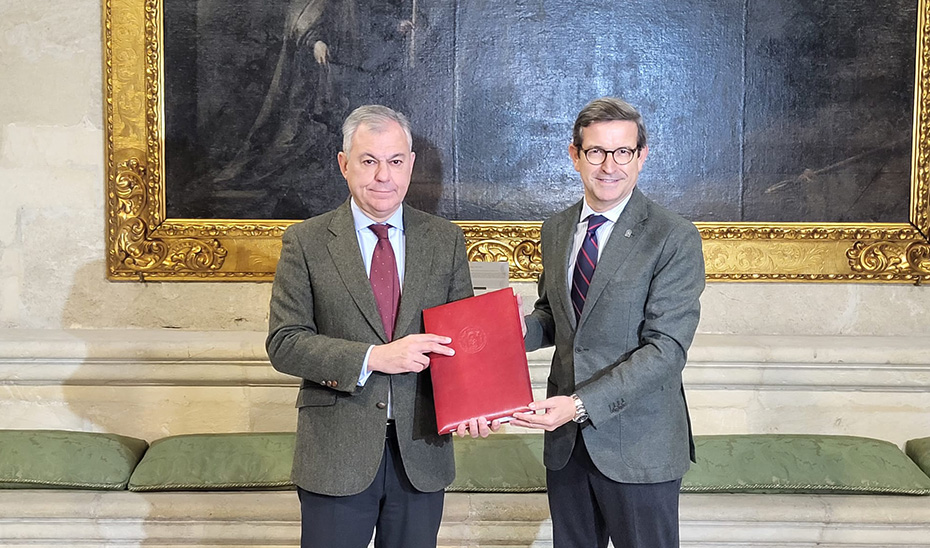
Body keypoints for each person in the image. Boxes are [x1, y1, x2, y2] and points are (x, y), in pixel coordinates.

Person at [266, 104, 479, 548]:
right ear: (344, 165)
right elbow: (285, 343)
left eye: (395, 161)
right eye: (369, 161)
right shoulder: (305, 242)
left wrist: (479, 403)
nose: (384, 175)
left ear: (411, 165)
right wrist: (373, 357)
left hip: (420, 453)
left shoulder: (445, 240)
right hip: (336, 454)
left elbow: (463, 341)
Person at [511, 97, 705, 548]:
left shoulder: (672, 236)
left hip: (639, 445)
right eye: (596, 151)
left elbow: (666, 350)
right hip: (567, 448)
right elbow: (555, 317)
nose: (609, 165)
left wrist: (578, 404)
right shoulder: (556, 229)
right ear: (575, 154)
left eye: (623, 152)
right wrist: (507, 333)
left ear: (642, 156)